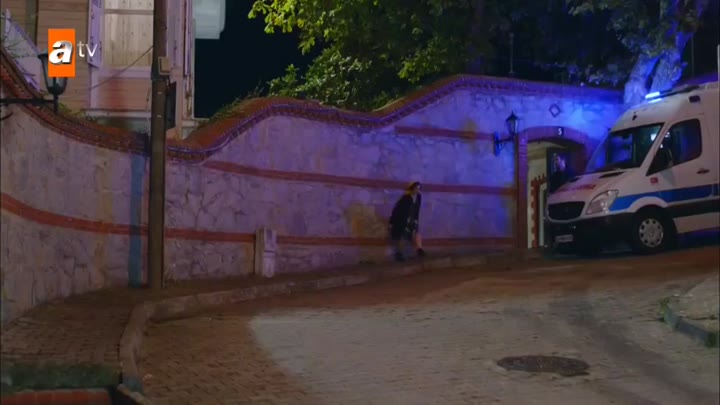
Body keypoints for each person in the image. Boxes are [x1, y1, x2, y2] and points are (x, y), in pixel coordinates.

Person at [389, 181, 426, 261]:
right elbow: (397, 210)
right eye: (416, 188)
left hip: (413, 219)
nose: (417, 190)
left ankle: (419, 249)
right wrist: (392, 221)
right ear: (412, 189)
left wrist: (416, 219)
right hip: (403, 220)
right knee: (403, 236)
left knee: (416, 233)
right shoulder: (405, 198)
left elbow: (416, 209)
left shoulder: (418, 197)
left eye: (419, 188)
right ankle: (399, 254)